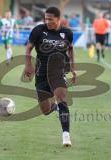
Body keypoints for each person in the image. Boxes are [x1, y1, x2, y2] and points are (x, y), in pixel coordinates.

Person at [24, 7, 76, 147]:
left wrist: (73, 67)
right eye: (45, 19)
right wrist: (28, 65)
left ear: (58, 19)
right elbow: (28, 48)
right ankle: (55, 108)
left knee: (62, 99)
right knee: (45, 110)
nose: (47, 21)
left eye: (50, 19)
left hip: (58, 72)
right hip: (41, 73)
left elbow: (70, 49)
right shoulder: (38, 30)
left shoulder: (67, 33)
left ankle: (66, 135)